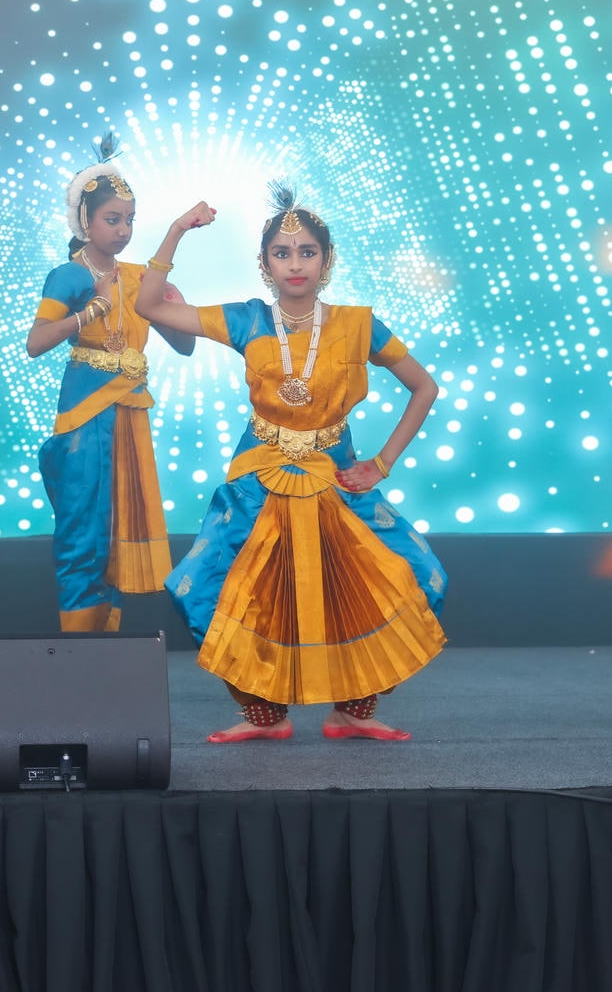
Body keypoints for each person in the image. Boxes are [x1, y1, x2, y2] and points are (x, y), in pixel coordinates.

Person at [136, 185, 448, 743]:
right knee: (209, 590)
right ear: (265, 264)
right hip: (258, 483)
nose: (295, 263)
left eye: (307, 251)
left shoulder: (357, 324)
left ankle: (352, 710)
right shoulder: (247, 320)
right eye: (282, 253)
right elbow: (150, 306)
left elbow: (424, 387)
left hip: (337, 480)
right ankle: (265, 716)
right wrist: (178, 230)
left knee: (405, 579)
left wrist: (382, 463)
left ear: (327, 260)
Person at [26, 133, 196, 631]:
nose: (123, 231)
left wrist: (173, 303)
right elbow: (36, 342)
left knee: (118, 526)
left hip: (128, 413)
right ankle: (79, 651)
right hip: (85, 413)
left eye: (129, 220)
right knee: (83, 526)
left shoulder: (139, 278)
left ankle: (105, 645)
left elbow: (184, 345)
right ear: (85, 221)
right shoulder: (68, 276)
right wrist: (94, 308)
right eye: (112, 219)